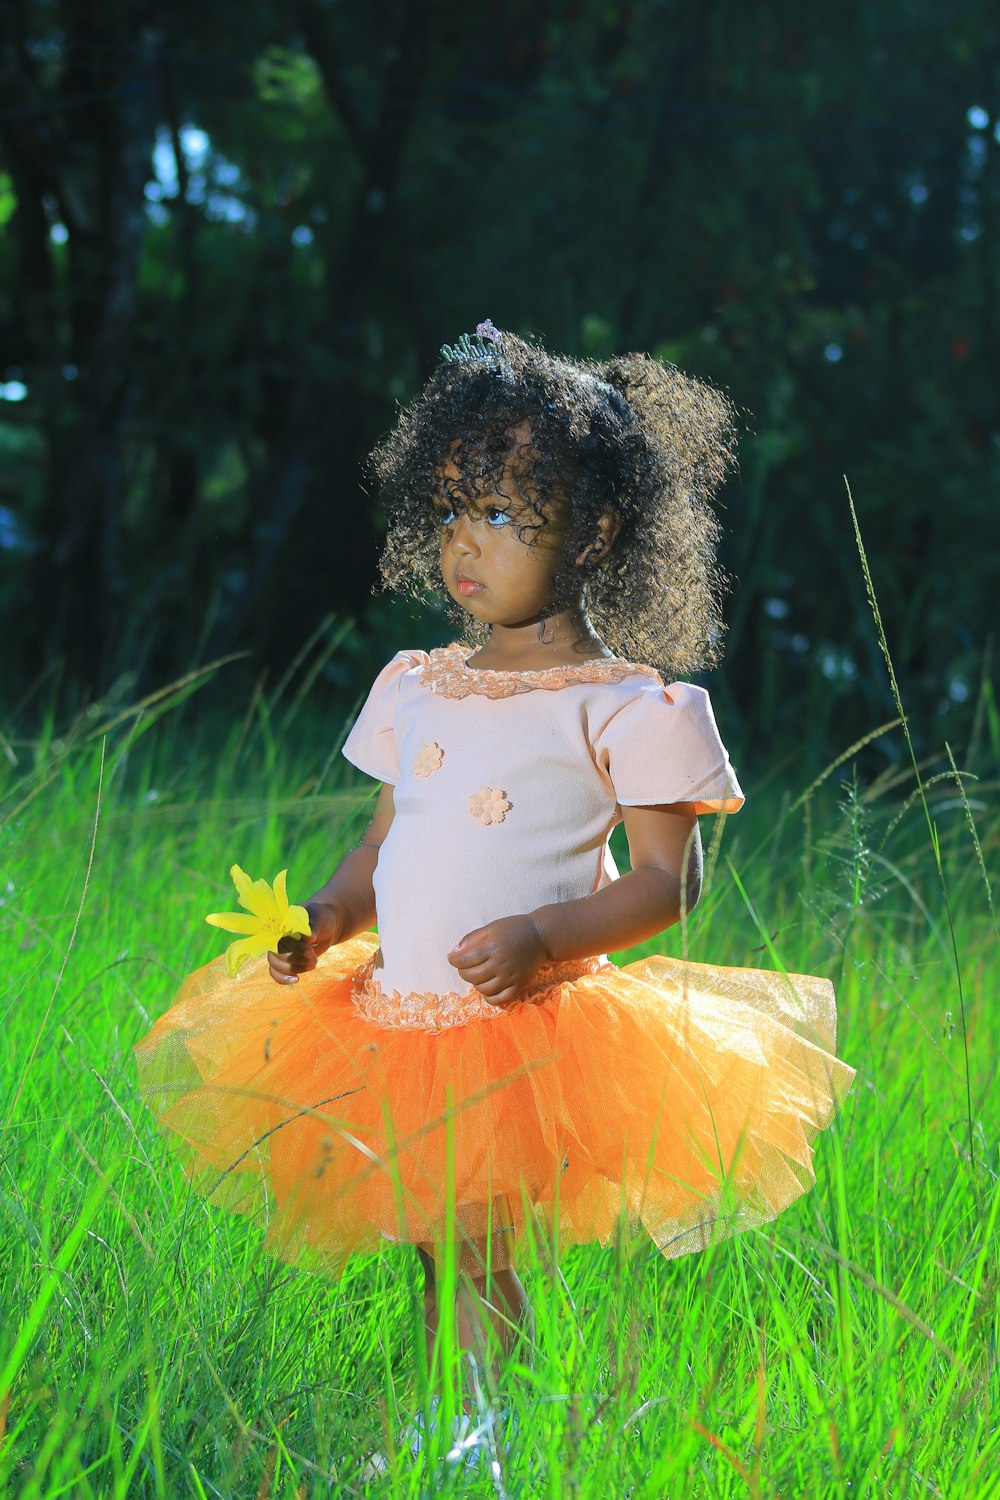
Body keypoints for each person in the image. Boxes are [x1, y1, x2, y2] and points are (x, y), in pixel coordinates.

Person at [133, 323, 855, 1462]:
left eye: (509, 516)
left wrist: (543, 935)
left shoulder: (630, 707)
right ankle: (451, 1419)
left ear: (596, 534)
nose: (468, 543)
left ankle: (482, 1435)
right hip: (397, 1018)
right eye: (456, 509)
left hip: (519, 1025)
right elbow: (386, 841)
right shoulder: (418, 685)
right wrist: (326, 917)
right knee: (434, 1241)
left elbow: (671, 884)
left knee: (480, 1244)